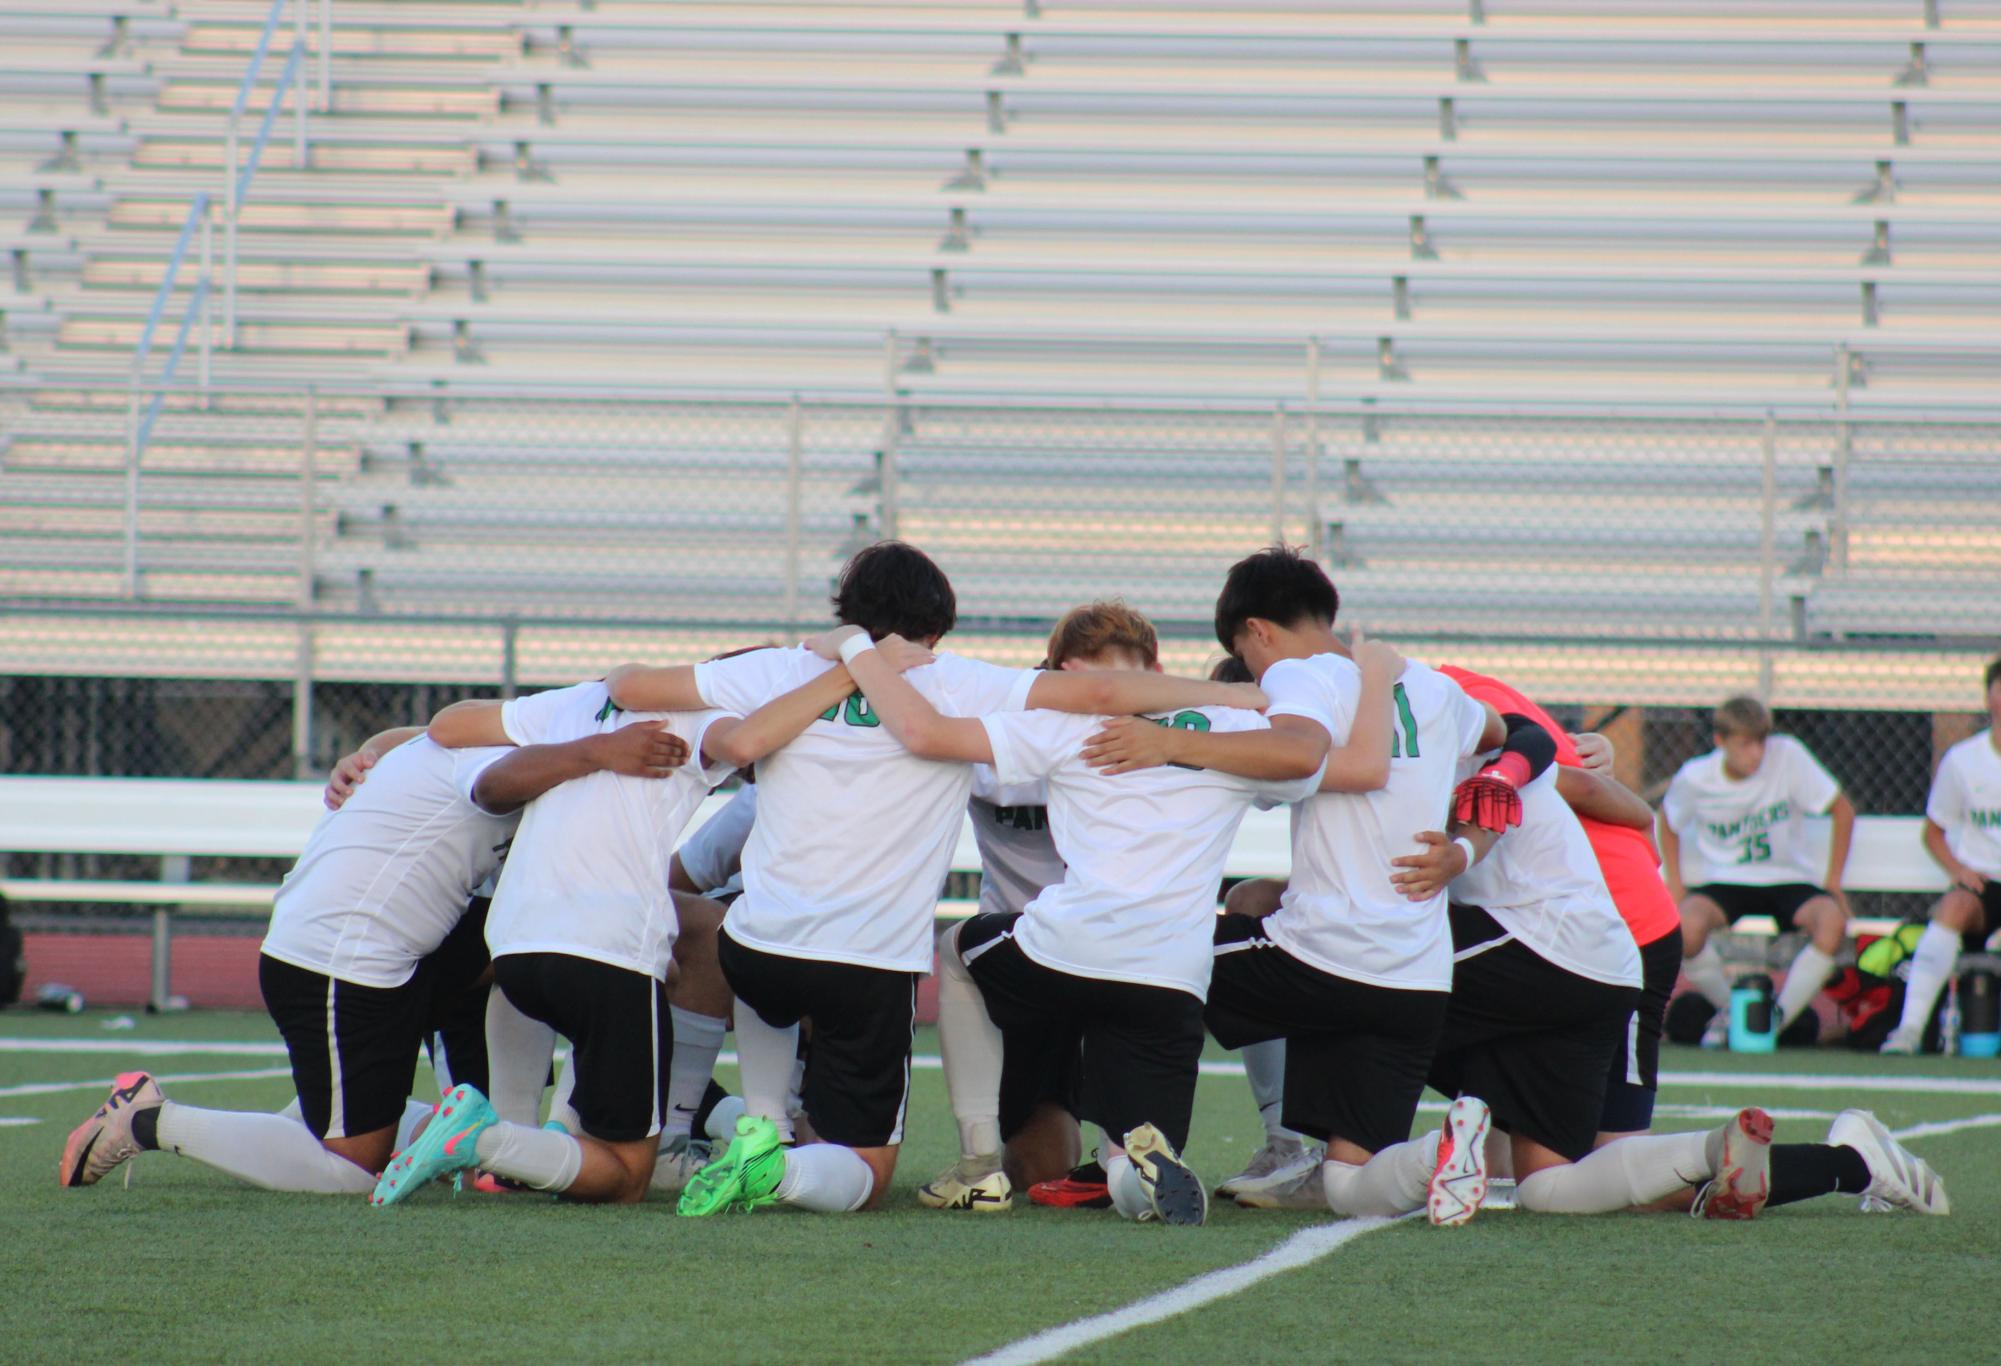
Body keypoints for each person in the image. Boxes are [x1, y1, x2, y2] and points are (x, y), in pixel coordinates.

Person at [605, 541, 1267, 1217]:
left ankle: (764, 1128)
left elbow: (626, 686)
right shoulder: (958, 680)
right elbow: (1101, 694)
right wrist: (1228, 693)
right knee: (865, 1174)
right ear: (937, 629)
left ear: (844, 612)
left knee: (764, 958)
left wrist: (837, 658)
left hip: (761, 946)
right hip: (874, 961)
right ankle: (785, 1170)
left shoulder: (781, 670)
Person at [1074, 546, 1544, 1224]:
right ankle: (1434, 1152)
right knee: (1350, 1189)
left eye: (1248, 655)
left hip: (1321, 955)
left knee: (1142, 965)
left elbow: (1310, 757)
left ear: (1257, 633)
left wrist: (1168, 743)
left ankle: (1128, 1161)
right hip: (1412, 977)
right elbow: (1519, 738)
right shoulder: (1435, 689)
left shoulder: (1301, 676)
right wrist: (1466, 849)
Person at [836, 601, 1331, 1223]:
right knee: (1131, 1171)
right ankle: (1141, 1171)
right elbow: (1306, 763)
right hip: (1172, 974)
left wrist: (857, 653)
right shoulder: (1232, 723)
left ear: (1064, 669)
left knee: (957, 949)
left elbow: (927, 735)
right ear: (1156, 664)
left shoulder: (1063, 720)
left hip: (1066, 947)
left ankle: (978, 1162)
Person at [58, 721, 679, 1194]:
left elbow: (423, 735)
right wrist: (597, 753)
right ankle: (149, 1120)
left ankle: (485, 1138)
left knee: (507, 952)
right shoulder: (519, 757)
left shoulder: (485, 741)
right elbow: (485, 773)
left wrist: (368, 751)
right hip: (340, 958)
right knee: (351, 1168)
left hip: (373, 951)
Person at [372, 662, 857, 1206]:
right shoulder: (700, 719)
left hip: (511, 947)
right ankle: (482, 1138)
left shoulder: (576, 703)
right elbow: (747, 741)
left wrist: (382, 743)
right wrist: (848, 670)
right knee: (627, 1178)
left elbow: (448, 727)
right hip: (607, 953)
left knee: (654, 965)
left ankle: (521, 1131)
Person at [1661, 697, 1855, 1043]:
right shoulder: (1696, 777)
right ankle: (1735, 1014)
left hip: (1787, 877)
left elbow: (1842, 810)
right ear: (1720, 742)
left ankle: (1774, 1021)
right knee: (1685, 928)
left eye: (1762, 742)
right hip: (1727, 880)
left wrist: (1833, 882)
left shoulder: (1789, 756)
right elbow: (1669, 820)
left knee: (1832, 923)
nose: (1757, 754)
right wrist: (1675, 884)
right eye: (1745, 744)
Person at [1881, 656, 2001, 1056]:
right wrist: (1958, 869)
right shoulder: (1963, 760)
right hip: (1984, 883)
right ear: (1989, 697)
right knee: (1952, 908)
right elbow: (1933, 832)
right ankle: (1910, 1029)